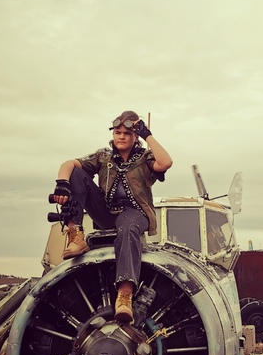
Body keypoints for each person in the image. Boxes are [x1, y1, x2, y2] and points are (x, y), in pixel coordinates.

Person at [51, 111, 173, 322]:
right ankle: (76, 235)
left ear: (135, 136)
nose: (121, 136)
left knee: (128, 226)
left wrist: (147, 134)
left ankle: (124, 296)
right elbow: (68, 164)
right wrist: (62, 184)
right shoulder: (103, 157)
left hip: (135, 213)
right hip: (107, 213)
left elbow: (166, 162)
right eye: (118, 132)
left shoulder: (145, 158)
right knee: (77, 174)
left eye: (127, 133)